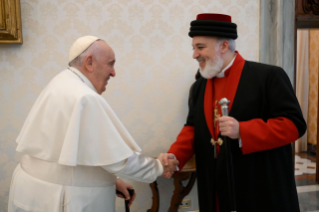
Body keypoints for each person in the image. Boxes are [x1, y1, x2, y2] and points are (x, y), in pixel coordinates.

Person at [8, 36, 178, 212]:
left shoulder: (61, 82)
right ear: (90, 62)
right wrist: (159, 166)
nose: (113, 73)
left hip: (33, 191)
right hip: (62, 198)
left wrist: (113, 181)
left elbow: (74, 154)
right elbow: (119, 161)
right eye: (110, 64)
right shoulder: (84, 97)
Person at [162, 14, 307, 212]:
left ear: (223, 46)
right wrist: (175, 155)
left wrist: (243, 131)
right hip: (214, 186)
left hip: (258, 186)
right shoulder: (199, 87)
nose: (194, 54)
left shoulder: (268, 76)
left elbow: (294, 125)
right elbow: (193, 128)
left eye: (200, 47)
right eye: (193, 48)